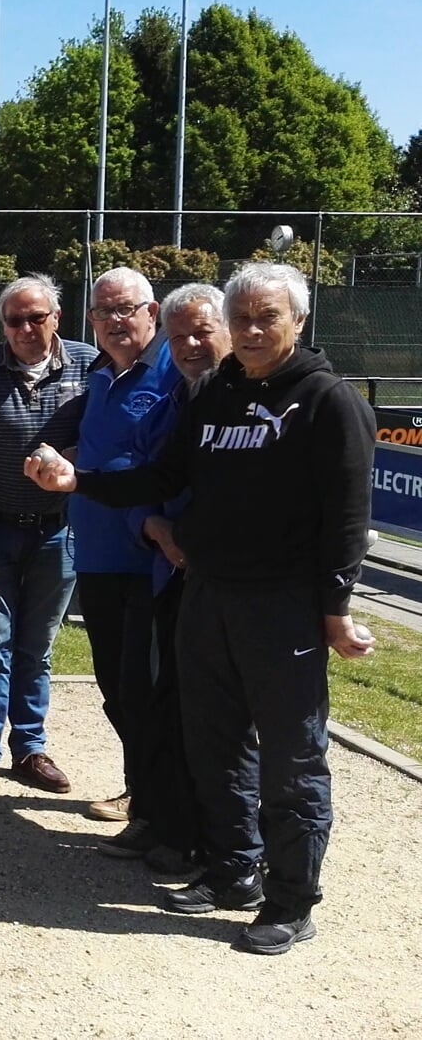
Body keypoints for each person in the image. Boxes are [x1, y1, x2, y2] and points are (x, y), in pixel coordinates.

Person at [27, 262, 375, 956]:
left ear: (296, 323)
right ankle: (232, 870)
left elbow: (346, 516)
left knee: (290, 756)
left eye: (262, 318)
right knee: (210, 746)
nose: (248, 331)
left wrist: (334, 607)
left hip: (283, 609)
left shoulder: (325, 401)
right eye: (239, 317)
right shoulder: (214, 395)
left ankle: (290, 899)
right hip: (207, 596)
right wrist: (81, 480)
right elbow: (163, 477)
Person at [0, 274, 96, 798]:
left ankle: (30, 747)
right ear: (2, 325)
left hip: (60, 531)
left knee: (39, 646)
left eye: (37, 317)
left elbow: (102, 441)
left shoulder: (88, 363)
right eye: (15, 320)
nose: (27, 328)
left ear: (57, 317)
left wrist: (67, 463)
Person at [111, 282, 234, 876]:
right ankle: (167, 822)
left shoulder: (242, 400)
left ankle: (220, 847)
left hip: (229, 582)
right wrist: (154, 526)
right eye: (179, 335)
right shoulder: (173, 402)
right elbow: (141, 477)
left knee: (214, 716)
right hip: (165, 574)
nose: (188, 344)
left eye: (200, 332)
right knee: (156, 700)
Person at [64, 268, 177, 838]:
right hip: (97, 555)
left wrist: (142, 519)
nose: (113, 321)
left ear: (151, 312)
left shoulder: (174, 371)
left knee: (144, 687)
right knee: (114, 684)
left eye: (124, 309)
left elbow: (157, 468)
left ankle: (155, 806)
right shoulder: (101, 374)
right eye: (102, 311)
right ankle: (142, 789)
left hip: (150, 558)